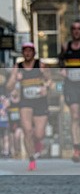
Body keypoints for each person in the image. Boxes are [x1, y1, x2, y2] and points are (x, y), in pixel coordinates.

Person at [5, 42, 51, 171]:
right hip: (25, 103)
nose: (27, 53)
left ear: (34, 52)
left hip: (40, 102)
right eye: (25, 51)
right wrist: (15, 79)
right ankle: (31, 159)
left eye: (30, 51)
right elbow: (8, 87)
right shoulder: (18, 67)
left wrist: (45, 87)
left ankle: (36, 143)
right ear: (22, 53)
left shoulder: (40, 65)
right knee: (27, 131)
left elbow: (50, 81)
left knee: (39, 134)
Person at [58, 21, 80, 163]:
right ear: (71, 31)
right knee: (75, 116)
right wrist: (62, 70)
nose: (76, 31)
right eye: (74, 29)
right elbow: (60, 61)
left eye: (79, 29)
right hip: (71, 85)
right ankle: (77, 149)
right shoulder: (66, 46)